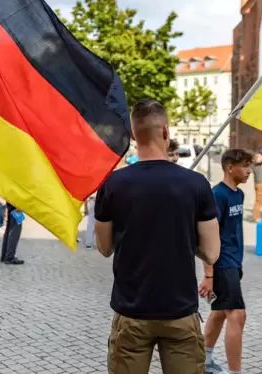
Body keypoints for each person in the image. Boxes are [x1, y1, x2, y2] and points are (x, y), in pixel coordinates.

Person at [94, 99, 221, 373]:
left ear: (132, 135)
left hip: (131, 312)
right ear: (166, 131)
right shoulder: (196, 184)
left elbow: (104, 248)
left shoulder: (112, 184)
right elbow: (211, 252)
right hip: (180, 312)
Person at [199, 148, 252, 374]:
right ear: (230, 167)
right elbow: (207, 235)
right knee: (237, 314)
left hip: (234, 262)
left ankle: (203, 360)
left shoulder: (238, 194)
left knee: (220, 311)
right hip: (222, 263)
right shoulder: (217, 195)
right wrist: (209, 275)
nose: (250, 171)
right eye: (245, 166)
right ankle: (235, 372)